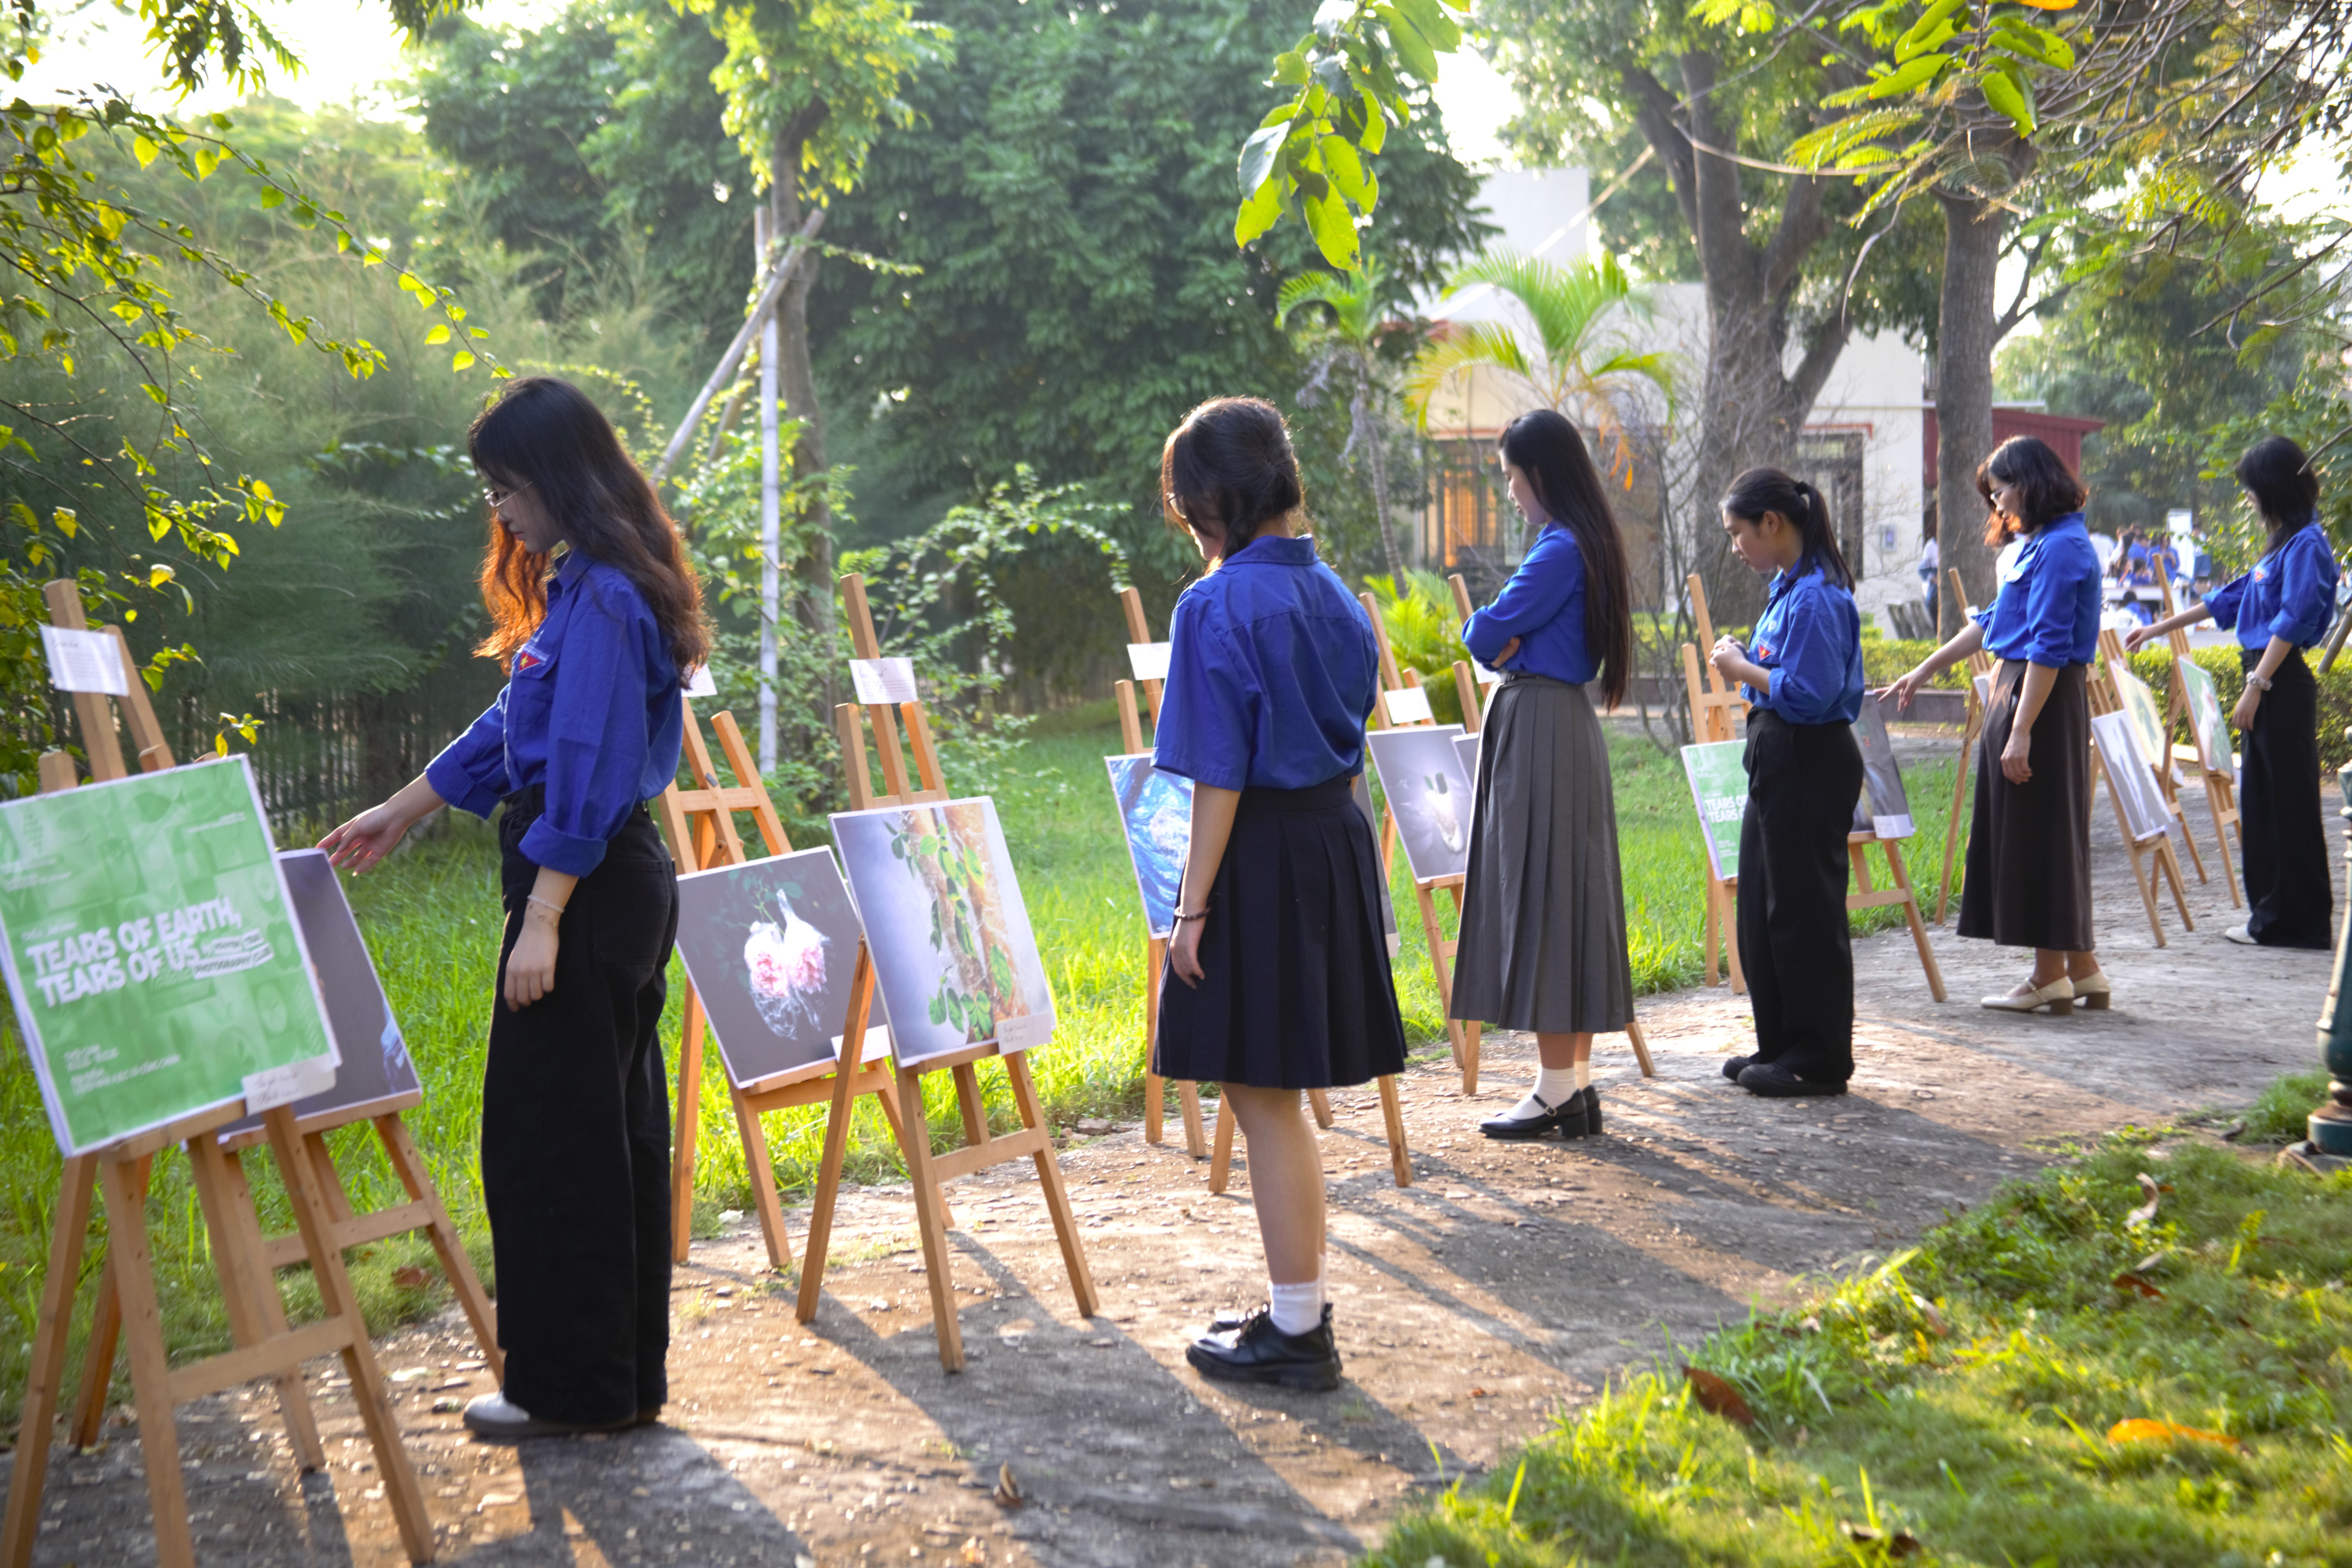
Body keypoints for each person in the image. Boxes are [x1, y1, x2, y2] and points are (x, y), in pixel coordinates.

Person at [320, 376, 704, 1438]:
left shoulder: (606, 596)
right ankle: (616, 1384)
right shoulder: (592, 588)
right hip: (602, 882)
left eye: (510, 486)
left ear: (562, 480)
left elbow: (583, 766)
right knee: (605, 1131)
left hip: (580, 887)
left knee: (552, 1142)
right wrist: (403, 809)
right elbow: (516, 726)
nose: (501, 510)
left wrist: (540, 919)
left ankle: (570, 1390)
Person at [1152, 396, 1406, 1392]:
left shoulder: (1212, 606)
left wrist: (1190, 911)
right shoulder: (1340, 595)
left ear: (1213, 501)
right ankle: (1294, 1311)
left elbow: (1219, 774)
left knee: (1262, 1098)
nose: (1187, 527)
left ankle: (1298, 1327)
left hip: (1256, 847)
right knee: (1278, 1097)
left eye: (1185, 509)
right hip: (1330, 836)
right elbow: (1346, 738)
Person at [1450, 408, 1638, 1140]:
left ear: (1540, 473)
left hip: (1539, 729)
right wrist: (1508, 641)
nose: (1509, 493)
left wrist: (1505, 641)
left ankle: (1556, 1089)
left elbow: (1482, 633)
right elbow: (1500, 637)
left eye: (1510, 478)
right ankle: (1572, 1086)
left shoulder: (1558, 549)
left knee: (1545, 898)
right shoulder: (1587, 542)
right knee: (1569, 896)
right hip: (1564, 727)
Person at [1886, 436, 2106, 1014]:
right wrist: (1924, 668)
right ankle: (2081, 970)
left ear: (2031, 483)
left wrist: (2022, 729)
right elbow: (1991, 623)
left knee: (2037, 838)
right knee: (2045, 833)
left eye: (2002, 489)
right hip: (2023, 691)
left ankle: (2046, 977)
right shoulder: (2042, 545)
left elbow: (2050, 647)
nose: (1999, 503)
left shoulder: (2060, 548)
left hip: (2041, 698)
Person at [2128, 436, 2339, 948]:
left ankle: (2299, 924)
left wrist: (2256, 685)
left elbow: (2291, 621)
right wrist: (2157, 629)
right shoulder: (2286, 541)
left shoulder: (2308, 544)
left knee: (2288, 807)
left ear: (2273, 488)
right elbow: (2233, 597)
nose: (2248, 499)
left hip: (2279, 681)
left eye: (2251, 489)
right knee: (2265, 804)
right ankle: (2271, 919)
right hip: (2268, 680)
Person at [1707, 469, 1866, 1096]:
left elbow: (1809, 692)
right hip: (1777, 756)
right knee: (1766, 907)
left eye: (1739, 533)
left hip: (1810, 757)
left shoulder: (1819, 597)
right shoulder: (1786, 589)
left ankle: (1819, 1056)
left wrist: (1741, 666)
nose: (1737, 546)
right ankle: (1779, 1042)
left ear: (1772, 523)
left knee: (1804, 910)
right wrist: (1749, 663)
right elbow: (1779, 676)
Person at [1919, 515, 1940, 630]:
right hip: (1936, 583)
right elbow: (1923, 569)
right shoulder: (1931, 546)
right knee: (1933, 602)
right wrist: (1934, 579)